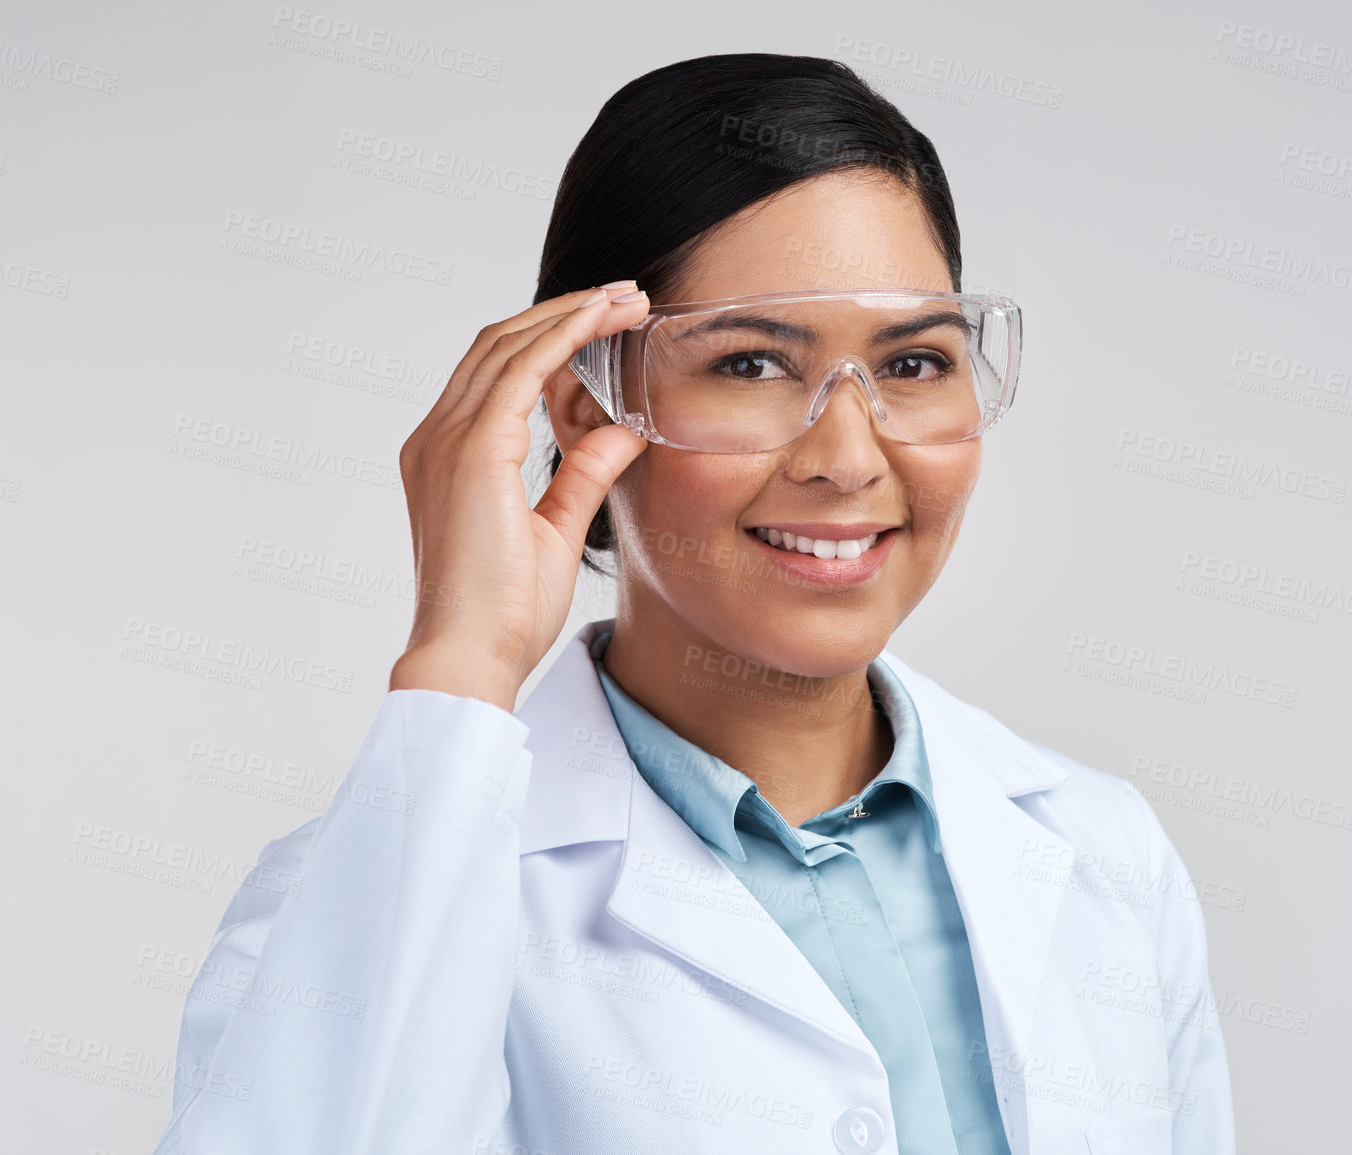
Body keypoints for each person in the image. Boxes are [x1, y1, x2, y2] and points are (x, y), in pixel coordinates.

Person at [152, 53, 1234, 1155]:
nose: (849, 458)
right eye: (754, 364)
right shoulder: (375, 883)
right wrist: (465, 660)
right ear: (586, 405)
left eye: (912, 364)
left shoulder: (1106, 853)